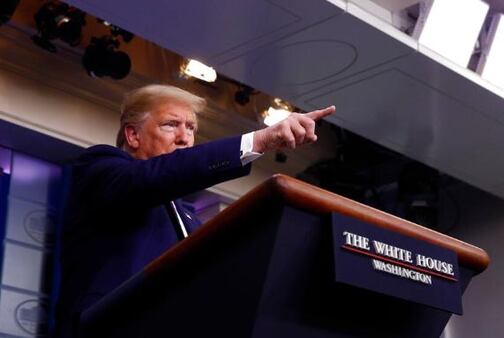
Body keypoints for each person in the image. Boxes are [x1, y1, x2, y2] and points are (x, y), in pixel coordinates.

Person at [54, 84, 335, 337]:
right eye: (171, 125)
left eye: (190, 128)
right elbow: (152, 178)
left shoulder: (188, 218)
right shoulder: (101, 167)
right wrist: (258, 141)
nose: (184, 138)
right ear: (133, 135)